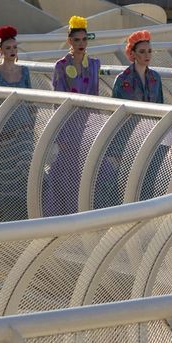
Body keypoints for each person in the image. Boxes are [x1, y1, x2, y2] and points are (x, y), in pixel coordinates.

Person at [44, 16, 102, 216]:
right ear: (69, 41)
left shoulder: (94, 64)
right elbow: (58, 100)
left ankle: (84, 211)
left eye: (84, 40)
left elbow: (96, 96)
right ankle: (61, 212)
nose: (81, 44)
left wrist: (97, 125)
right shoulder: (61, 66)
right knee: (67, 169)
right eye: (77, 40)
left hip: (88, 125)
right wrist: (58, 130)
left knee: (87, 169)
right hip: (68, 125)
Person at [0, 25, 33, 221]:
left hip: (24, 128)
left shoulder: (25, 71)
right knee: (3, 170)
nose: (12, 51)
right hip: (4, 129)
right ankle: (1, 211)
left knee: (25, 167)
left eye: (15, 48)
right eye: (8, 48)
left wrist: (33, 122)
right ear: (0, 50)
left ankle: (24, 208)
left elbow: (30, 99)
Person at [111, 30, 163, 102]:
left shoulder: (156, 77)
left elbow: (160, 105)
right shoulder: (122, 79)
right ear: (132, 54)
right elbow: (115, 106)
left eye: (149, 51)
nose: (147, 55)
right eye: (142, 52)